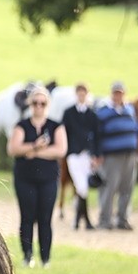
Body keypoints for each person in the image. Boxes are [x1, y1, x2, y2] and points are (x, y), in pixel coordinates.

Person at [7, 87, 67, 268]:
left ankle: (45, 258)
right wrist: (34, 145)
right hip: (25, 178)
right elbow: (13, 149)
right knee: (27, 217)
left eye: (43, 103)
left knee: (45, 218)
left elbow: (61, 150)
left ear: (47, 105)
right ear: (30, 105)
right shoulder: (22, 126)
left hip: (48, 179)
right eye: (35, 103)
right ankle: (27, 256)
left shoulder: (55, 126)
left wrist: (34, 152)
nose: (39, 107)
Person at [93, 80, 138, 231]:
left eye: (120, 93)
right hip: (111, 156)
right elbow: (96, 134)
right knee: (109, 188)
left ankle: (122, 218)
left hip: (130, 155)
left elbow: (137, 128)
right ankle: (104, 220)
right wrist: (97, 154)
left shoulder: (129, 110)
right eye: (116, 93)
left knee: (127, 188)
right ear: (111, 94)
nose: (118, 96)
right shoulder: (103, 112)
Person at [61, 82, 98, 230]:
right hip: (73, 153)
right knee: (81, 185)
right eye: (79, 93)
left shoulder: (92, 114)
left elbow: (96, 135)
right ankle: (84, 219)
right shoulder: (68, 113)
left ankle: (79, 219)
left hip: (87, 155)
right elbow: (63, 133)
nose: (81, 96)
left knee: (82, 187)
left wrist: (95, 155)